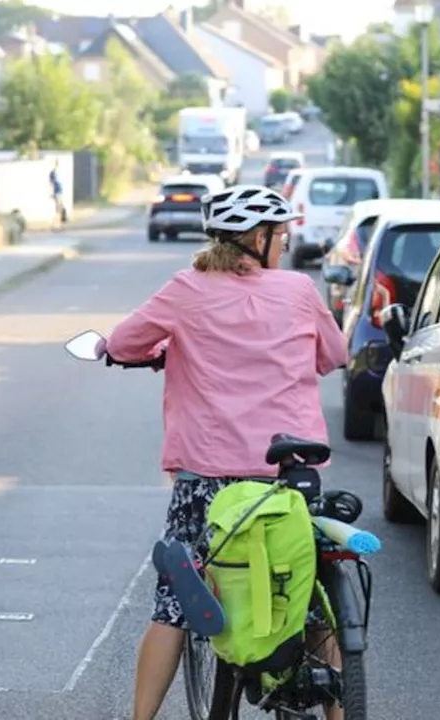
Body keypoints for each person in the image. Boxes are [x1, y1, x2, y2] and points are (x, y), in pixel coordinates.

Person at [103, 185, 348, 720]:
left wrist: (160, 351)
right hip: (287, 475)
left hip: (208, 478)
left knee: (176, 602)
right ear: (258, 239)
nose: (283, 246)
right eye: (279, 236)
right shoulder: (300, 291)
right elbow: (334, 355)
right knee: (308, 595)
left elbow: (123, 344)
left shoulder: (186, 289)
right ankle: (337, 715)